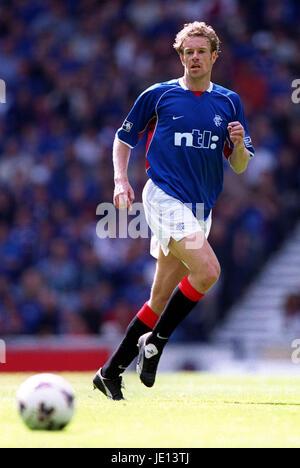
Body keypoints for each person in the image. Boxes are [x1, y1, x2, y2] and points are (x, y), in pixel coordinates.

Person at [93, 21, 255, 400]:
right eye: (188, 52)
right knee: (209, 271)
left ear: (214, 56)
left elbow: (240, 165)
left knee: (161, 298)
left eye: (201, 51)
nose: (194, 57)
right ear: (180, 56)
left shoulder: (229, 102)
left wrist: (239, 146)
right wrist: (120, 180)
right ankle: (155, 345)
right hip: (164, 197)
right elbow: (123, 138)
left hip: (201, 208)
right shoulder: (159, 95)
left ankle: (110, 371)